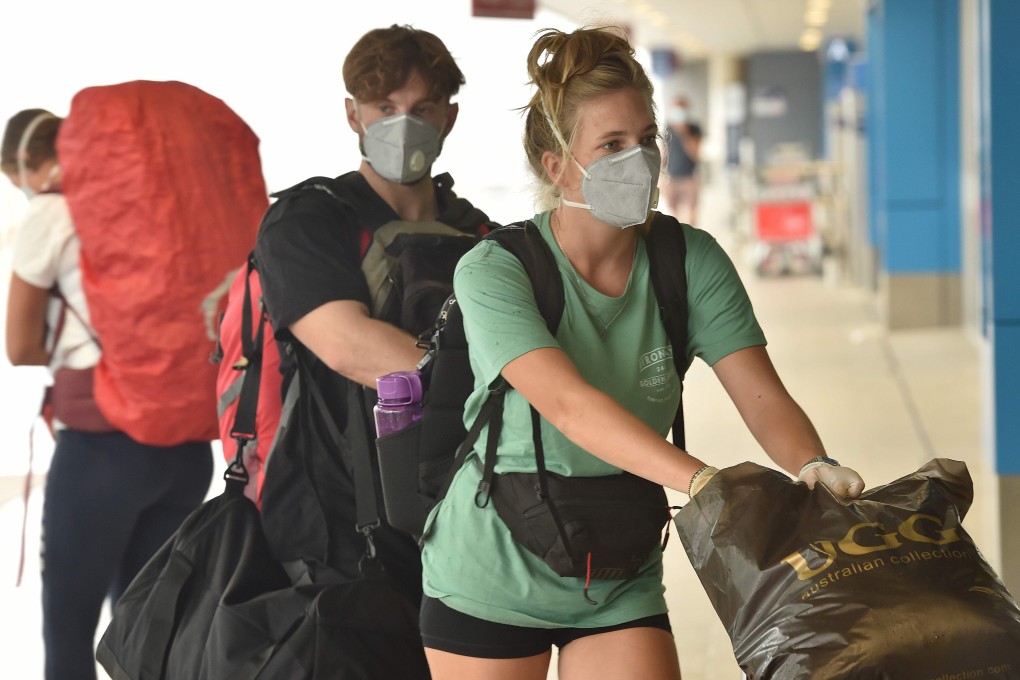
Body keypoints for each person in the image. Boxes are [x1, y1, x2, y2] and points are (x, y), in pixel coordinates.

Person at [418, 27, 864, 680]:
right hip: (492, 567)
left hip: (618, 567)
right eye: (612, 145)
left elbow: (763, 396)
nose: (641, 160)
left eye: (647, 139)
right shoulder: (496, 270)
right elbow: (570, 406)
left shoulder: (689, 261)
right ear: (556, 166)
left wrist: (812, 461)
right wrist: (702, 480)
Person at [253, 25, 493, 611]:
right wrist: (509, 393)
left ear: (450, 117)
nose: (402, 123)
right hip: (336, 528)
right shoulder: (308, 220)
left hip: (463, 514)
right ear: (352, 115)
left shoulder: (481, 234)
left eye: (422, 107)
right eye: (384, 107)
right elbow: (348, 347)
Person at [2, 109, 213, 680]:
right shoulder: (157, 202)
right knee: (146, 631)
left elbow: (18, 347)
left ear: (21, 165)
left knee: (68, 629)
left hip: (101, 451)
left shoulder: (51, 210)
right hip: (187, 448)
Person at [662, 96, 703, 225]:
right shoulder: (668, 129)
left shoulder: (694, 129)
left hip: (689, 178)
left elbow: (695, 154)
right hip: (672, 179)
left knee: (692, 216)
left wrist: (684, 134)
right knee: (673, 217)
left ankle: (690, 242)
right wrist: (660, 176)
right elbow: (664, 153)